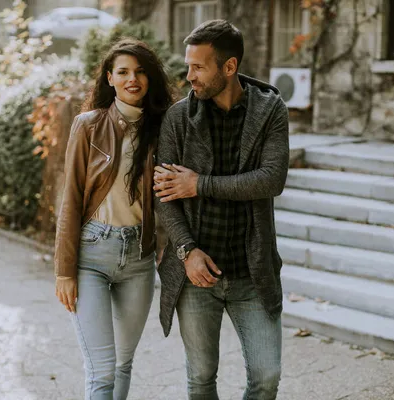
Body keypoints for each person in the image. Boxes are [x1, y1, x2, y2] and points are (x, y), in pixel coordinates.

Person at [153, 20, 289, 399]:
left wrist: (199, 184)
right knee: (200, 379)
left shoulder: (271, 110)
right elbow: (163, 196)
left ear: (229, 68)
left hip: (252, 272)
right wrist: (187, 252)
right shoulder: (178, 117)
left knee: (266, 378)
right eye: (188, 65)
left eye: (198, 67)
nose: (189, 75)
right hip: (196, 275)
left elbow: (270, 180)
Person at [54, 38, 173, 399]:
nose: (131, 79)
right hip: (92, 254)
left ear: (150, 79)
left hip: (138, 258)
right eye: (122, 72)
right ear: (110, 77)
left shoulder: (165, 127)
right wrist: (64, 269)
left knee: (123, 363)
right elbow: (71, 198)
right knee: (102, 371)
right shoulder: (88, 125)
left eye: (139, 72)